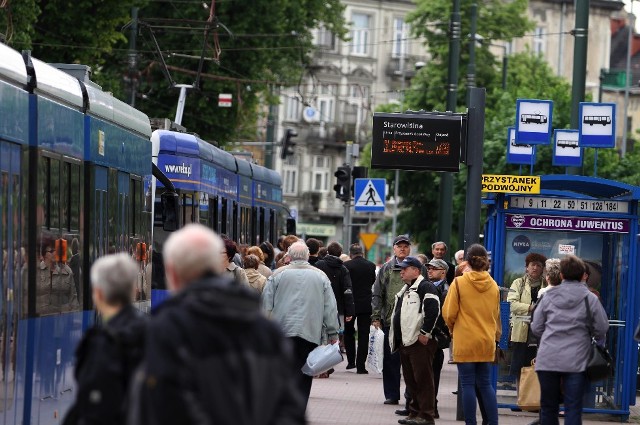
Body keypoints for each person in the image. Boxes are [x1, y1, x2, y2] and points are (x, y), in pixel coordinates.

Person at [130, 224, 305, 425]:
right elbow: (290, 408)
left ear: (172, 273)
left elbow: (157, 405)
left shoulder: (165, 330)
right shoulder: (267, 331)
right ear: (218, 264)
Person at [63, 253, 146, 425]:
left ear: (98, 294)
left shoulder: (101, 343)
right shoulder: (157, 331)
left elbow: (94, 408)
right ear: (133, 290)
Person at [530, 255, 609, 425]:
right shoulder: (590, 299)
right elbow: (602, 328)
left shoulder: (548, 297)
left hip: (548, 360)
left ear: (562, 275)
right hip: (577, 362)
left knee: (548, 407)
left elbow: (536, 327)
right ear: (582, 275)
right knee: (573, 408)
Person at [262, 241, 340, 410]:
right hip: (310, 332)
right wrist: (333, 334)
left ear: (288, 256)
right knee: (305, 372)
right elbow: (330, 307)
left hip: (281, 332)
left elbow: (265, 306)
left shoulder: (276, 275)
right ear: (307, 256)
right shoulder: (321, 276)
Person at [443, 244, 501, 425]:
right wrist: (496, 338)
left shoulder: (459, 283)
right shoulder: (493, 285)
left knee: (467, 384)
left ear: (467, 261)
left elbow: (449, 313)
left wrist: (453, 329)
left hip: (465, 339)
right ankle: (492, 422)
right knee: (485, 384)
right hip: (486, 340)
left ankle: (471, 423)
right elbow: (496, 315)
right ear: (485, 262)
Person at [391, 256, 440, 425]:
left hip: (419, 342)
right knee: (411, 380)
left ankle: (426, 416)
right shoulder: (407, 289)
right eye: (401, 269)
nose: (401, 272)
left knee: (423, 380)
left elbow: (433, 310)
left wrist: (425, 333)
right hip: (406, 342)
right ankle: (414, 413)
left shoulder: (425, 287)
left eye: (405, 268)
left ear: (417, 271)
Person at [372, 234, 415, 405]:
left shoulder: (417, 267)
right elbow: (377, 293)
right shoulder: (386, 268)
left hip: (412, 322)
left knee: (411, 362)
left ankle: (410, 396)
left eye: (405, 246)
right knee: (391, 360)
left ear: (409, 248)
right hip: (391, 320)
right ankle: (391, 394)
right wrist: (376, 316)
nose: (403, 248)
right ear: (394, 249)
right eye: (399, 246)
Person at [508, 252, 547, 389]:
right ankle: (521, 398)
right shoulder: (518, 283)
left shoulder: (547, 285)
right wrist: (531, 307)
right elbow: (511, 304)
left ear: (543, 269)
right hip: (521, 332)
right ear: (526, 267)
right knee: (520, 367)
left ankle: (535, 399)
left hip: (540, 334)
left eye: (538, 265)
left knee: (538, 366)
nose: (535, 268)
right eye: (532, 265)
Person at [343, 243, 376, 374]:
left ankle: (351, 362)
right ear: (362, 253)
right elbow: (373, 281)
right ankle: (361, 366)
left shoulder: (346, 266)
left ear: (350, 254)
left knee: (349, 332)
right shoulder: (371, 265)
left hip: (350, 303)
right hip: (365, 304)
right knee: (363, 334)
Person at [315, 242, 355, 345]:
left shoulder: (319, 265)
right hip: (339, 307)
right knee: (336, 332)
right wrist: (349, 311)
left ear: (327, 251)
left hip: (319, 305)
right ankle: (335, 349)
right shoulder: (343, 269)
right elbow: (347, 291)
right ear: (340, 253)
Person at [426, 258, 451, 419]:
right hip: (431, 336)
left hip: (436, 338)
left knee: (432, 374)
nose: (430, 271)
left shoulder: (446, 290)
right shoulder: (431, 287)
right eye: (428, 268)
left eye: (434, 268)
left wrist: (434, 333)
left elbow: (442, 315)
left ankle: (431, 407)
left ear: (443, 272)